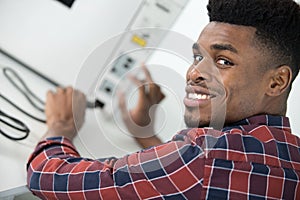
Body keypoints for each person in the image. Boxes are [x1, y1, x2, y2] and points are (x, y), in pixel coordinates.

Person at [27, 0, 300, 199]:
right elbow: (206, 178)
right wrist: (143, 133)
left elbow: (46, 176)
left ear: (276, 82)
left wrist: (60, 127)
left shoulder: (200, 157)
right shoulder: (291, 157)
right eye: (197, 57)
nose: (194, 73)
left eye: (223, 61)